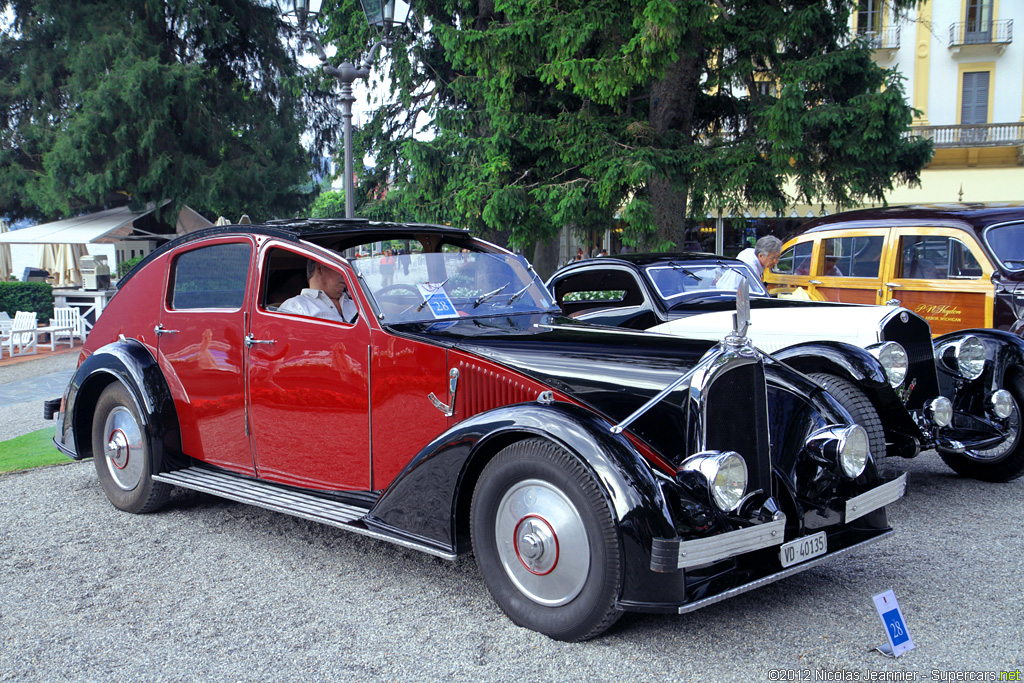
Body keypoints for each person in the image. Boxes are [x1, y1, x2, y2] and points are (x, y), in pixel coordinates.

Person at [278, 260, 358, 323]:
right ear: (319, 269)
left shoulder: (358, 303)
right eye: (339, 268)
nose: (344, 274)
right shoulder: (296, 306)